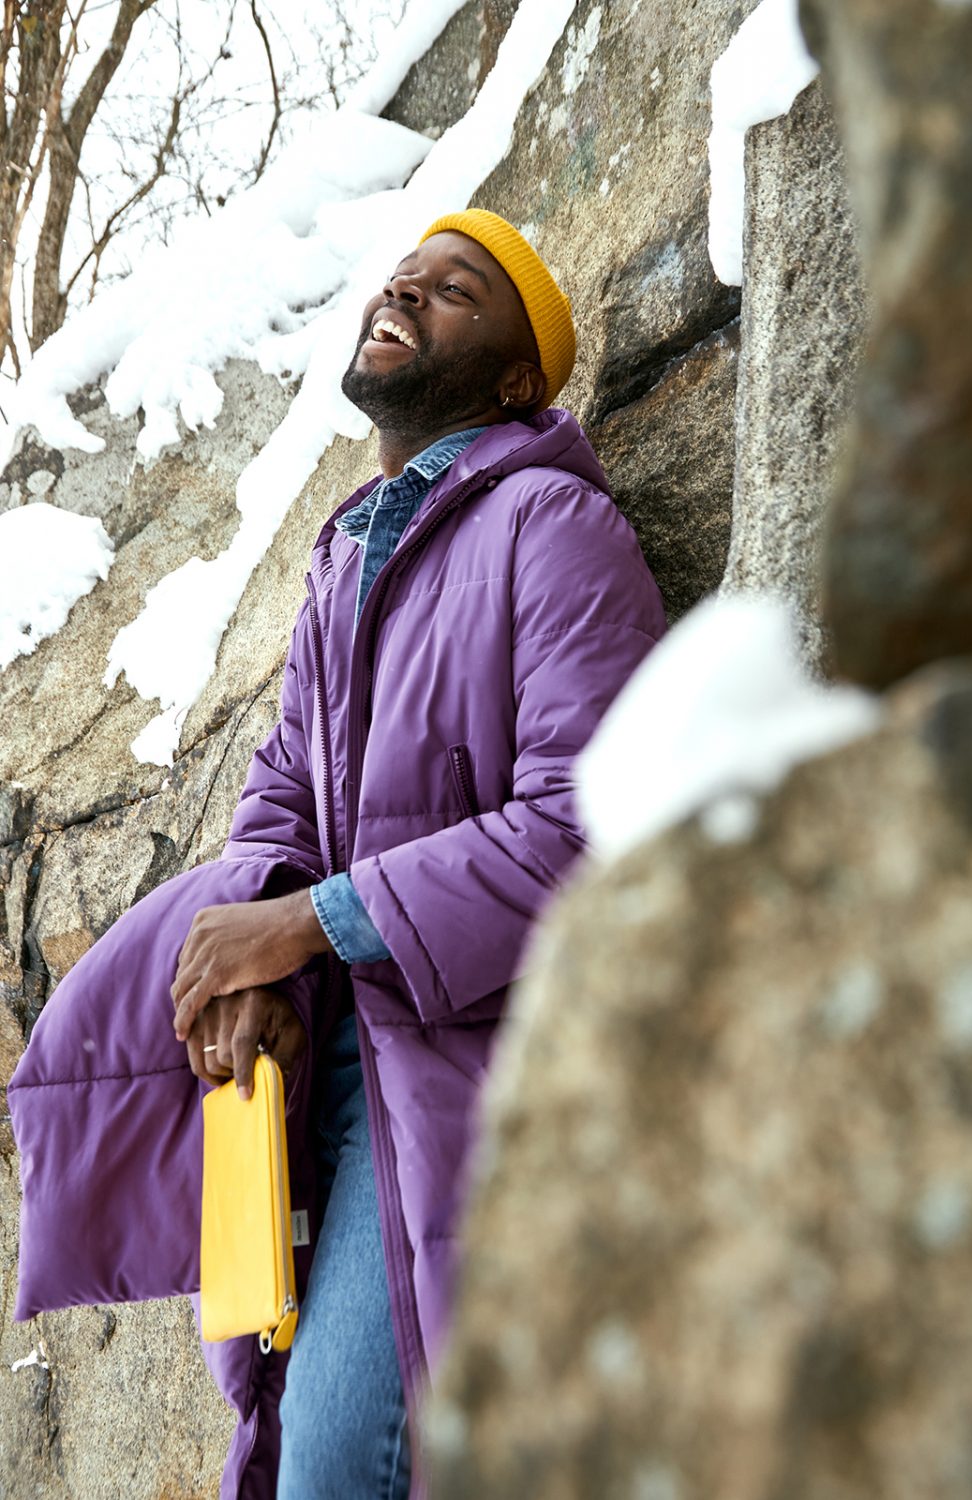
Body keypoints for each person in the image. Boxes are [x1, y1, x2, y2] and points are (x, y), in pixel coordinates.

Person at [10, 209, 666, 1498]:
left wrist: (312, 925)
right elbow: (279, 808)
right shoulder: (346, 562)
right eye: (404, 272)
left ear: (519, 376)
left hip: (468, 1077)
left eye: (457, 291)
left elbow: (595, 832)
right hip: (320, 1075)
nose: (409, 288)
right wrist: (257, 953)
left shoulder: (552, 527)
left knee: (335, 1465)